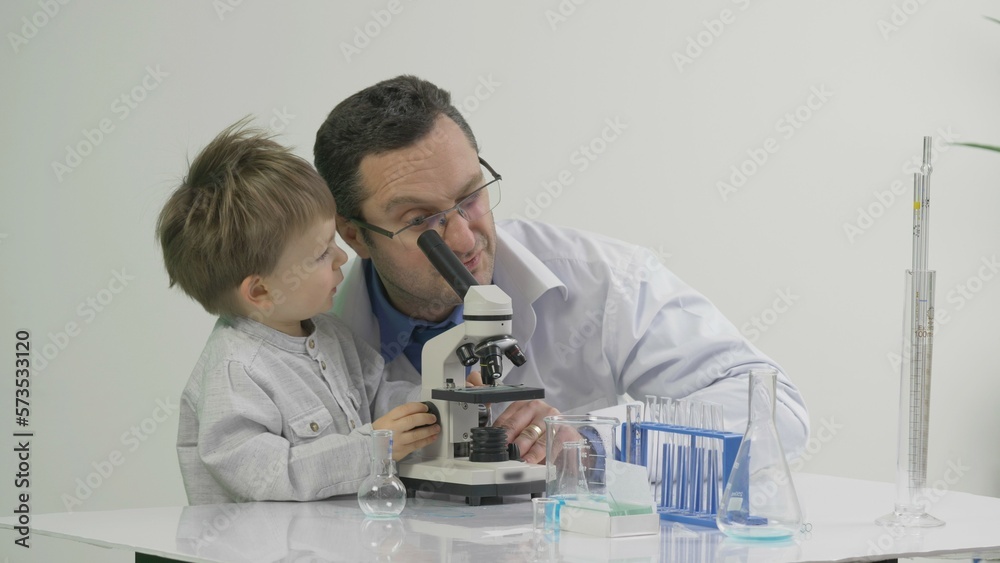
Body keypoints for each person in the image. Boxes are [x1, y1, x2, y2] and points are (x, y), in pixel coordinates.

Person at [313, 75, 809, 465]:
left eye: (471, 197)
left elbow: (774, 409)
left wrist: (590, 442)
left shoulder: (604, 279)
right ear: (354, 235)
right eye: (420, 220)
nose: (464, 240)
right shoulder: (298, 329)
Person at [158, 119, 440, 505]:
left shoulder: (331, 334)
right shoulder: (236, 369)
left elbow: (381, 398)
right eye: (322, 253)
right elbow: (269, 476)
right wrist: (371, 449)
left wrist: (441, 400)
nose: (342, 256)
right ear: (261, 290)